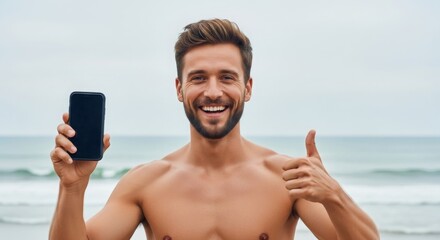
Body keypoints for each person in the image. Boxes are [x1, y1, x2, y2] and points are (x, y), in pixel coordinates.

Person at [49, 19, 379, 240]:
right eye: (198, 78)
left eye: (226, 77)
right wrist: (73, 188)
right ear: (179, 89)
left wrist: (334, 195)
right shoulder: (145, 183)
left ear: (247, 88)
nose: (212, 91)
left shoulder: (287, 178)